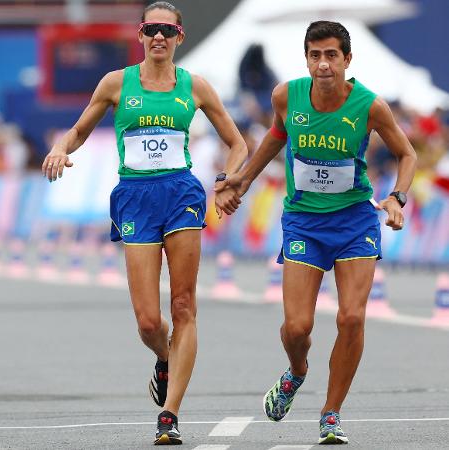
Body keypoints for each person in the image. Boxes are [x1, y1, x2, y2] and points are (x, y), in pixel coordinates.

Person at [42, 1, 247, 445]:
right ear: (140, 35)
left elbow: (237, 143)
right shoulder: (117, 83)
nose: (159, 36)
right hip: (134, 197)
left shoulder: (196, 87)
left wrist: (227, 181)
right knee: (150, 322)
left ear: (179, 37)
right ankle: (164, 358)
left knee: (183, 306)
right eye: (151, 29)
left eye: (167, 30)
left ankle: (169, 415)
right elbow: (78, 130)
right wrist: (62, 148)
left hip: (182, 195)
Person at [216, 21, 417, 445]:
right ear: (306, 58)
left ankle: (331, 413)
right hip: (304, 221)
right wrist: (244, 179)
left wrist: (397, 197)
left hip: (354, 222)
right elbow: (276, 135)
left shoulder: (369, 105)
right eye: (315, 55)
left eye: (331, 55)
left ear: (347, 59)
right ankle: (297, 371)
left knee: (352, 316)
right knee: (296, 328)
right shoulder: (286, 96)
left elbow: (407, 152)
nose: (323, 64)